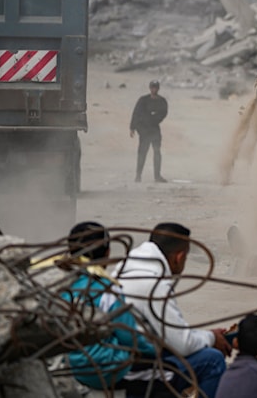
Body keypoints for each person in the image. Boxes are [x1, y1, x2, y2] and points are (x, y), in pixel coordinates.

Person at [115, 223, 232, 398]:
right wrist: (212, 338)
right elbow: (183, 344)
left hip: (118, 358)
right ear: (180, 256)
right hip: (137, 371)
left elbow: (172, 333)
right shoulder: (156, 284)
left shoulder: (125, 266)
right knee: (212, 360)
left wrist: (207, 336)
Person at [55, 222, 158, 390]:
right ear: (108, 253)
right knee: (172, 371)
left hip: (68, 366)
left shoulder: (60, 282)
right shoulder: (106, 289)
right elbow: (128, 336)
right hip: (105, 370)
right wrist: (156, 350)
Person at [130, 80, 168, 183]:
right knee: (142, 153)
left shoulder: (162, 101)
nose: (154, 89)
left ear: (158, 88)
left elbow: (163, 113)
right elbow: (136, 113)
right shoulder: (143, 100)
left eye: (155, 87)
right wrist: (132, 127)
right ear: (150, 88)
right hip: (144, 131)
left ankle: (157, 176)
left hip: (155, 130)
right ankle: (138, 175)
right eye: (152, 87)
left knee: (157, 152)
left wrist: (153, 118)